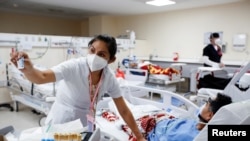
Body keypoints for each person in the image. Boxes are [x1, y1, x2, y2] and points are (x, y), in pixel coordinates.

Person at [10, 34, 146, 141]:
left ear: (111, 60)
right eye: (92, 50)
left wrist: (139, 137)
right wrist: (28, 69)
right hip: (62, 121)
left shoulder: (109, 78)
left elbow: (123, 109)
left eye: (101, 54)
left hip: (84, 123)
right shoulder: (74, 66)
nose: (94, 56)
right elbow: (42, 77)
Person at [145, 93, 232, 141]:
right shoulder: (199, 125)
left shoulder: (187, 136)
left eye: (206, 104)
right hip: (161, 118)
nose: (202, 106)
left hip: (150, 126)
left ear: (209, 115)